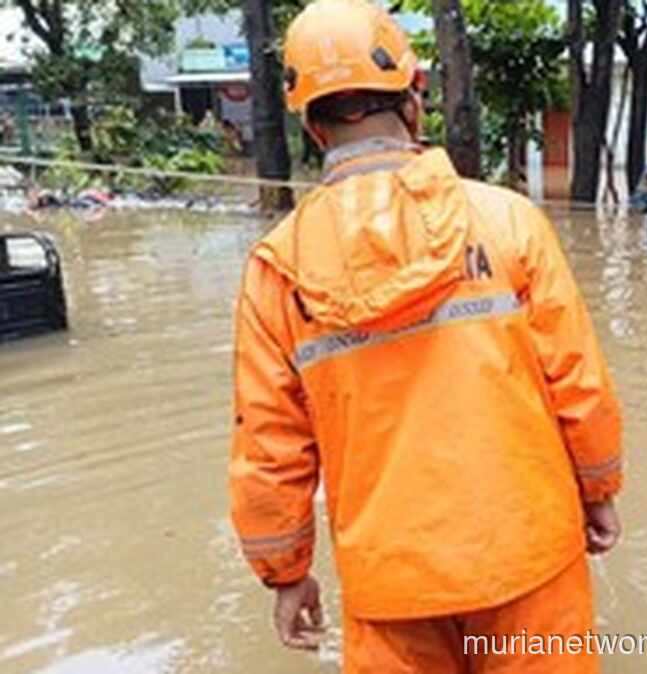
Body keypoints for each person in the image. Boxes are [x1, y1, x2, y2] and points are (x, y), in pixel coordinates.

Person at [227, 1, 624, 672]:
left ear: (311, 123)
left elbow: (268, 446)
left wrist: (285, 572)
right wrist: (599, 490)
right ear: (416, 98)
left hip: (390, 584)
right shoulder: (509, 222)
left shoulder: (278, 268)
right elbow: (578, 386)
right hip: (529, 556)